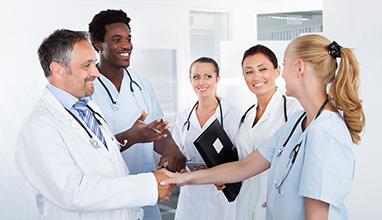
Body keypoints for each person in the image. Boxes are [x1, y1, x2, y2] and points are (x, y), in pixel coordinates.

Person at [161, 34, 365, 220]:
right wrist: (181, 178)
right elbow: (244, 167)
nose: (283, 74)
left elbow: (317, 216)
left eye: (284, 65)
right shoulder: (298, 122)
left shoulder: (325, 131)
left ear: (300, 67)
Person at [15, 29, 172, 220]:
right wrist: (148, 186)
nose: (96, 72)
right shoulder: (39, 127)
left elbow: (105, 162)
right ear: (58, 70)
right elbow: (73, 193)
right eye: (87, 65)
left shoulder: (89, 109)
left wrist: (131, 136)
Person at [88, 9, 186, 219]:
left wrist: (171, 149)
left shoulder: (141, 84)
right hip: (110, 199)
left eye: (128, 38)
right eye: (116, 39)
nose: (126, 45)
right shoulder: (86, 89)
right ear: (97, 43)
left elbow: (159, 132)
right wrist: (133, 137)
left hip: (147, 195)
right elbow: (89, 155)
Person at [235, 45, 301, 220]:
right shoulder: (246, 116)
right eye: (249, 72)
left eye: (262, 69)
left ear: (277, 71)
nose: (256, 76)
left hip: (277, 207)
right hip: (244, 206)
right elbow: (241, 162)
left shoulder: (294, 110)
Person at [171, 57, 240, 220]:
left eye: (208, 76)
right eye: (196, 77)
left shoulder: (234, 115)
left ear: (217, 79)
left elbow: (241, 160)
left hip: (221, 198)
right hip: (190, 200)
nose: (202, 82)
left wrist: (214, 171)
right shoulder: (183, 117)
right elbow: (176, 154)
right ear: (190, 80)